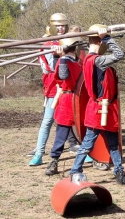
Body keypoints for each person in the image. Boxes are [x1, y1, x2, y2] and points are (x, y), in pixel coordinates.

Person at [69, 24, 125, 187]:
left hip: (104, 109)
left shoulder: (89, 60)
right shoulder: (98, 60)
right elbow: (118, 54)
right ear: (100, 42)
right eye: (104, 42)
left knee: (113, 144)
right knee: (87, 143)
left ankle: (119, 172)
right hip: (99, 110)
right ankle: (75, 171)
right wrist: (106, 37)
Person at [29, 14, 80, 166]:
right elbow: (50, 68)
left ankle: (87, 151)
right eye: (58, 25)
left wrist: (66, 51)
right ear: (52, 26)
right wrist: (57, 54)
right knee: (48, 121)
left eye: (63, 25)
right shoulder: (46, 43)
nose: (61, 28)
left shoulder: (69, 41)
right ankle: (38, 154)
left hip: (70, 89)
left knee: (76, 121)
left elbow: (77, 62)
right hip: (54, 89)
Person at [45, 35, 83, 175]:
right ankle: (54, 160)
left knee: (66, 132)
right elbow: (63, 75)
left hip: (70, 98)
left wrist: (60, 57)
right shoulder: (79, 61)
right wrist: (59, 56)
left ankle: (54, 160)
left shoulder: (70, 61)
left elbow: (63, 75)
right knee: (73, 132)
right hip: (75, 99)